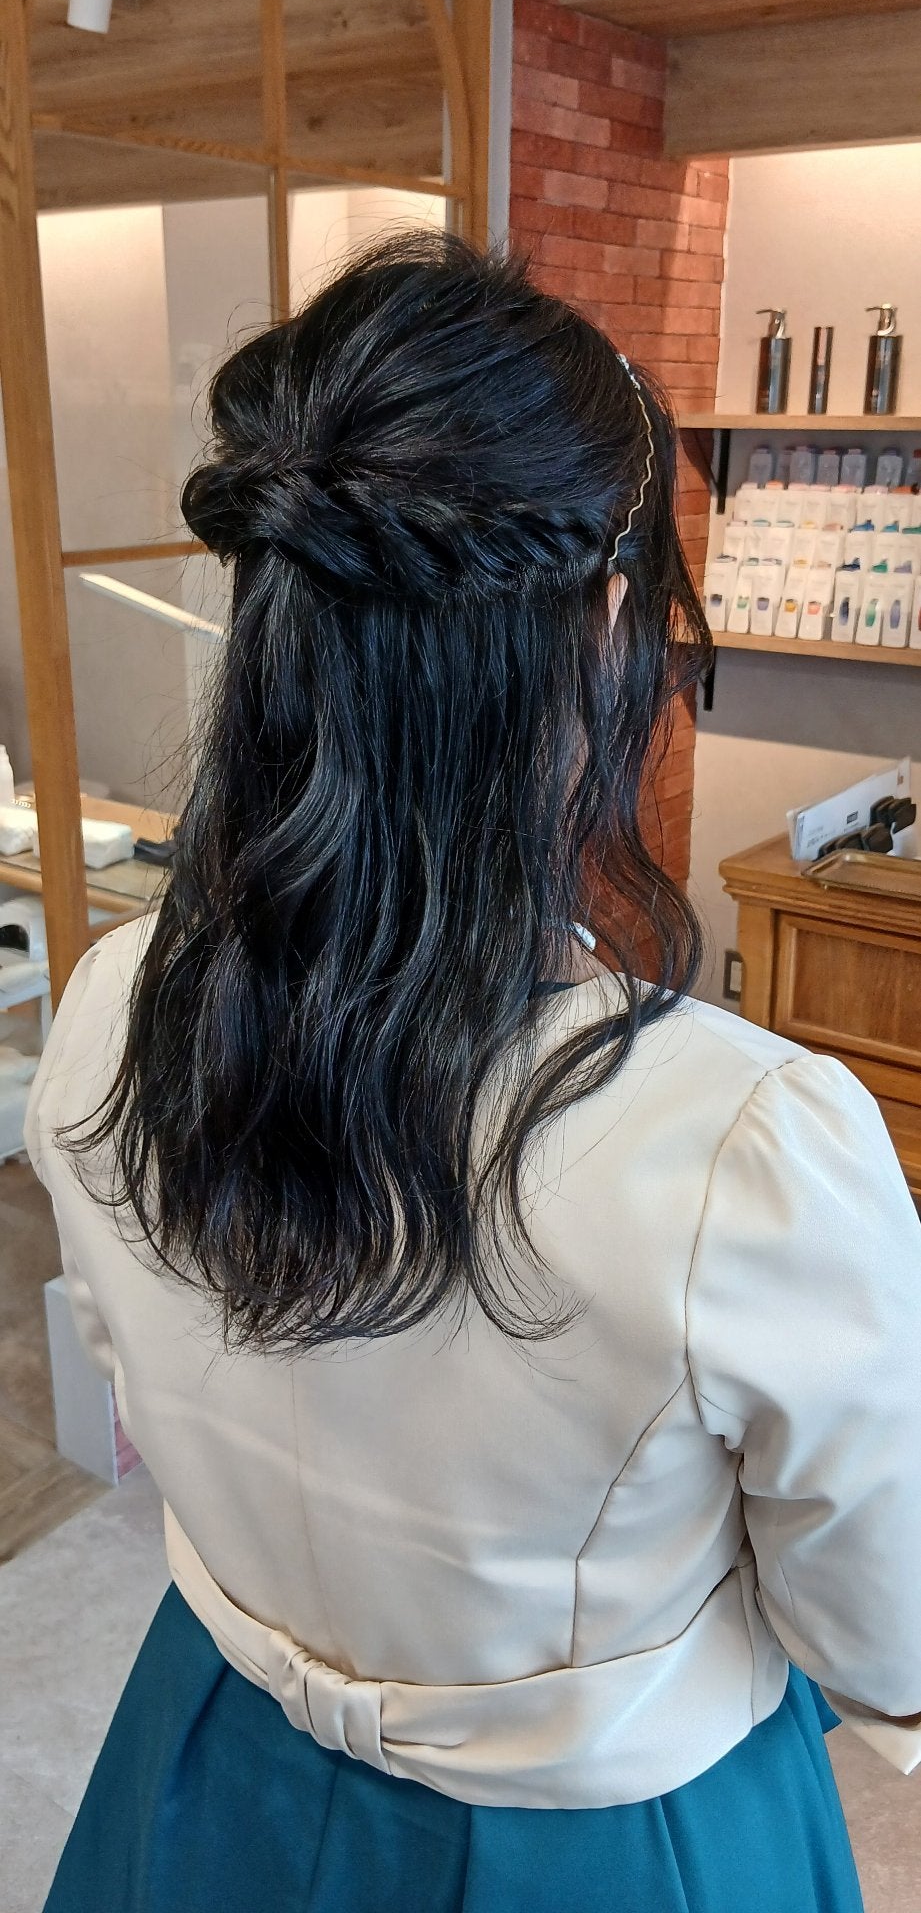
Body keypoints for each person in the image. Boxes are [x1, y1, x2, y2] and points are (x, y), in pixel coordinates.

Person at [26, 233, 921, 1913]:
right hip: (593, 1849)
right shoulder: (748, 1147)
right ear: (605, 622)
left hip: (209, 1757)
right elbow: (887, 1639)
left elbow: (135, 1378)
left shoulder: (109, 1009)